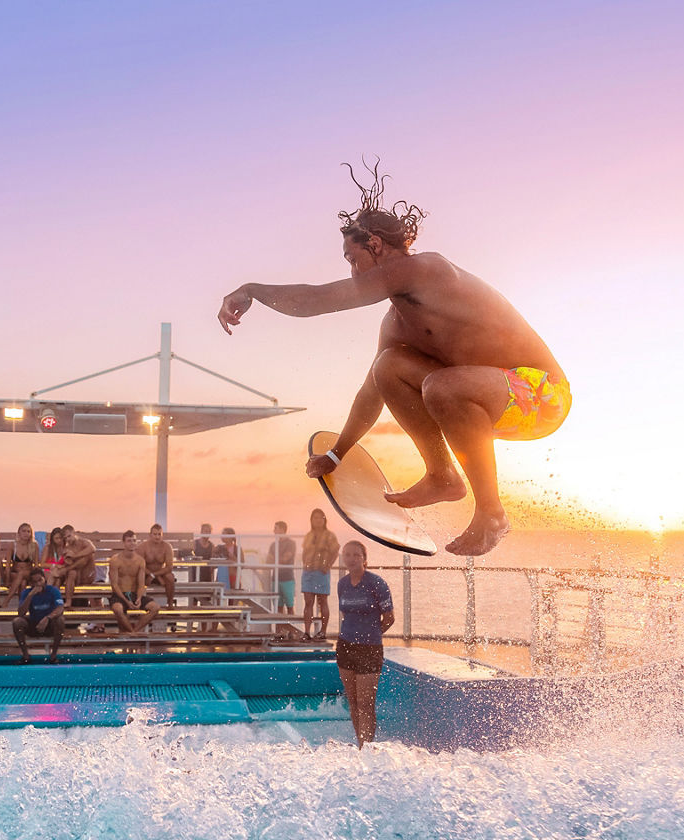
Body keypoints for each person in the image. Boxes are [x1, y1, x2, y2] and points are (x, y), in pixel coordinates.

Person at [217, 163, 570, 555]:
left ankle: (492, 512)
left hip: (543, 396)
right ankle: (442, 475)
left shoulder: (426, 269)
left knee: (440, 386)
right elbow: (374, 391)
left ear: (376, 245)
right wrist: (338, 453)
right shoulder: (397, 323)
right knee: (387, 366)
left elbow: (317, 299)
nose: (352, 271)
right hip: (487, 401)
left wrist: (250, 290)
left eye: (352, 259)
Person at [335, 539, 395, 747]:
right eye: (347, 555)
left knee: (366, 704)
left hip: (370, 649)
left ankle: (366, 748)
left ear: (365, 559)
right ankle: (361, 745)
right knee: (352, 702)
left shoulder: (376, 583)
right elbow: (345, 613)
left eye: (356, 555)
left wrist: (371, 635)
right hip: (345, 647)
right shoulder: (341, 584)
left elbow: (389, 618)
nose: (351, 559)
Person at [107, 531, 159, 634]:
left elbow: (141, 584)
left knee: (155, 607)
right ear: (124, 543)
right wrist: (126, 601)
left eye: (134, 540)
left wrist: (139, 598)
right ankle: (132, 632)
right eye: (129, 541)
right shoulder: (115, 560)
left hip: (134, 594)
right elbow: (114, 585)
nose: (132, 543)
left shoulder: (140, 561)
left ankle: (134, 632)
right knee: (117, 609)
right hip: (119, 595)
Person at [13, 567, 66, 664]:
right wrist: (30, 596)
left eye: (40, 580)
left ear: (44, 579)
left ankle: (53, 656)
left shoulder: (52, 590)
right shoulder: (26, 592)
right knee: (17, 622)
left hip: (49, 624)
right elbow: (20, 613)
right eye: (35, 582)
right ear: (31, 583)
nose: (38, 584)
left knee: (60, 620)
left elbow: (60, 608)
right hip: (34, 624)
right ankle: (26, 656)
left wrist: (47, 618)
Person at [301, 508, 339, 640]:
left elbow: (335, 551)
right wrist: (305, 564)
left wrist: (328, 565)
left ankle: (323, 631)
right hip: (308, 572)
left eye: (320, 518)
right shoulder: (308, 535)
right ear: (311, 520)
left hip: (321, 572)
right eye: (314, 518)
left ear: (324, 520)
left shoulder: (330, 535)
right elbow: (304, 551)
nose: (317, 520)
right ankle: (306, 632)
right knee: (308, 601)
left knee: (322, 601)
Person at [138, 523, 177, 608]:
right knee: (137, 575)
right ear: (150, 535)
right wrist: (150, 575)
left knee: (170, 577)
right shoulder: (143, 546)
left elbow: (169, 567)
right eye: (155, 534)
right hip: (146, 574)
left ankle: (170, 604)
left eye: (159, 534)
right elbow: (140, 566)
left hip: (159, 574)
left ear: (162, 535)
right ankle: (137, 604)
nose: (157, 537)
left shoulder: (167, 547)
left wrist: (155, 575)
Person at [57, 525, 97, 606]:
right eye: (66, 538)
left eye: (69, 536)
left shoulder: (84, 542)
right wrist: (68, 559)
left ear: (74, 533)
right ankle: (68, 601)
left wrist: (75, 556)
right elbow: (67, 562)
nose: (68, 539)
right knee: (72, 572)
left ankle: (68, 601)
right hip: (76, 576)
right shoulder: (68, 547)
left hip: (88, 575)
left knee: (87, 555)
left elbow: (92, 549)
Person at [3, 522, 41, 606]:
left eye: (28, 531)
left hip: (29, 573)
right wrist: (7, 580)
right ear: (19, 532)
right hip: (15, 573)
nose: (26, 533)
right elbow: (8, 565)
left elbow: (36, 564)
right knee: (22, 582)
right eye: (24, 531)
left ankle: (7, 600)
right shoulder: (13, 545)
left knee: (22, 575)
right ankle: (21, 604)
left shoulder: (34, 545)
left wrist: (36, 579)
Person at [267, 520, 296, 616]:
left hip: (287, 578)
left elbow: (285, 559)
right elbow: (268, 561)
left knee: (290, 606)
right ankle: (280, 630)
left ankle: (292, 630)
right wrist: (278, 559)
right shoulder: (273, 545)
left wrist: (275, 559)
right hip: (275, 578)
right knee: (278, 607)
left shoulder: (291, 543)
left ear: (283, 529)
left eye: (276, 528)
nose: (273, 531)